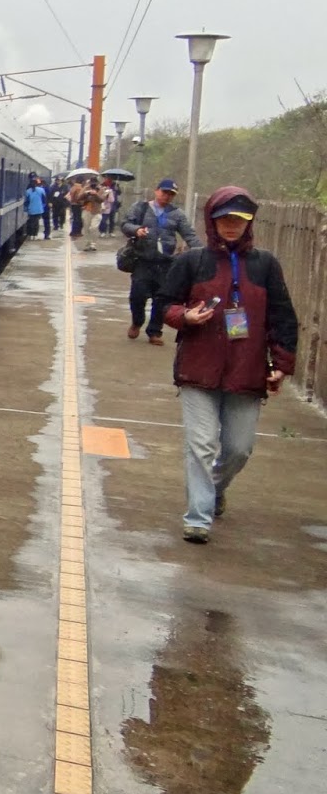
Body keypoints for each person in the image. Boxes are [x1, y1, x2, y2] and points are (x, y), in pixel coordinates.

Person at [158, 187, 297, 543]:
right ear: (212, 221)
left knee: (239, 449)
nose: (232, 225)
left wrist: (281, 363)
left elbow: (282, 317)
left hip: (247, 372)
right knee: (201, 445)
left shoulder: (265, 265)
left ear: (249, 222)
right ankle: (198, 518)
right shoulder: (192, 262)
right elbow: (165, 305)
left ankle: (215, 490)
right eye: (225, 219)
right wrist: (185, 316)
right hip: (197, 370)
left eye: (239, 219)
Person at [120, 178, 199, 345]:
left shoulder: (177, 214)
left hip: (166, 263)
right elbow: (125, 224)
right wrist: (136, 230)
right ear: (156, 191)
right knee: (137, 296)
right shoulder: (140, 208)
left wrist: (201, 252)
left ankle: (155, 331)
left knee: (162, 299)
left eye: (171, 194)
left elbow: (189, 235)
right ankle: (137, 321)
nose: (167, 196)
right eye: (164, 192)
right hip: (143, 260)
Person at [72, 178, 104, 251]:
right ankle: (88, 243)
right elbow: (78, 198)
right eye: (91, 183)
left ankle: (93, 244)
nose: (93, 184)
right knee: (86, 228)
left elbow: (101, 200)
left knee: (93, 227)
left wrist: (95, 194)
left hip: (96, 211)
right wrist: (86, 193)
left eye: (95, 183)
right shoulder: (86, 188)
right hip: (86, 210)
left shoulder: (101, 189)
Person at [23, 173, 50, 239]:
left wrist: (26, 208)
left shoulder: (29, 189)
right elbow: (45, 197)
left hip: (34, 208)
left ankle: (33, 234)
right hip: (40, 207)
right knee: (38, 221)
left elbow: (27, 200)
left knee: (33, 221)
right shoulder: (43, 187)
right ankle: (40, 234)